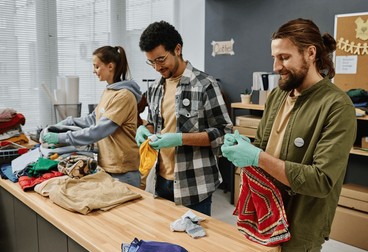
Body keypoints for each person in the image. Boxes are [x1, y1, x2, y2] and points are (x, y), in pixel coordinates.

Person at [221, 18, 357, 252]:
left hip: (300, 225)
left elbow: (322, 181)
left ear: (310, 53)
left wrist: (257, 157)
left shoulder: (337, 105)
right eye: (274, 58)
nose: (276, 66)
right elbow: (263, 147)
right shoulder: (277, 96)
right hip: (264, 215)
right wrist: (246, 149)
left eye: (284, 57)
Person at [136, 21, 233, 216]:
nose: (156, 67)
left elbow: (224, 133)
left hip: (194, 185)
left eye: (161, 59)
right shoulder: (155, 87)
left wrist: (180, 139)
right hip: (160, 181)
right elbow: (155, 123)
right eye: (151, 61)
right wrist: (145, 128)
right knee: (162, 242)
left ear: (177, 49)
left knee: (193, 245)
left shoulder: (205, 84)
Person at [41, 46, 142, 187]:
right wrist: (68, 121)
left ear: (110, 66)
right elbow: (92, 119)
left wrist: (61, 137)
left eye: (96, 66)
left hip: (123, 171)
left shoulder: (123, 96)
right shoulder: (109, 91)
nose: (94, 71)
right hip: (108, 166)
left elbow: (98, 131)